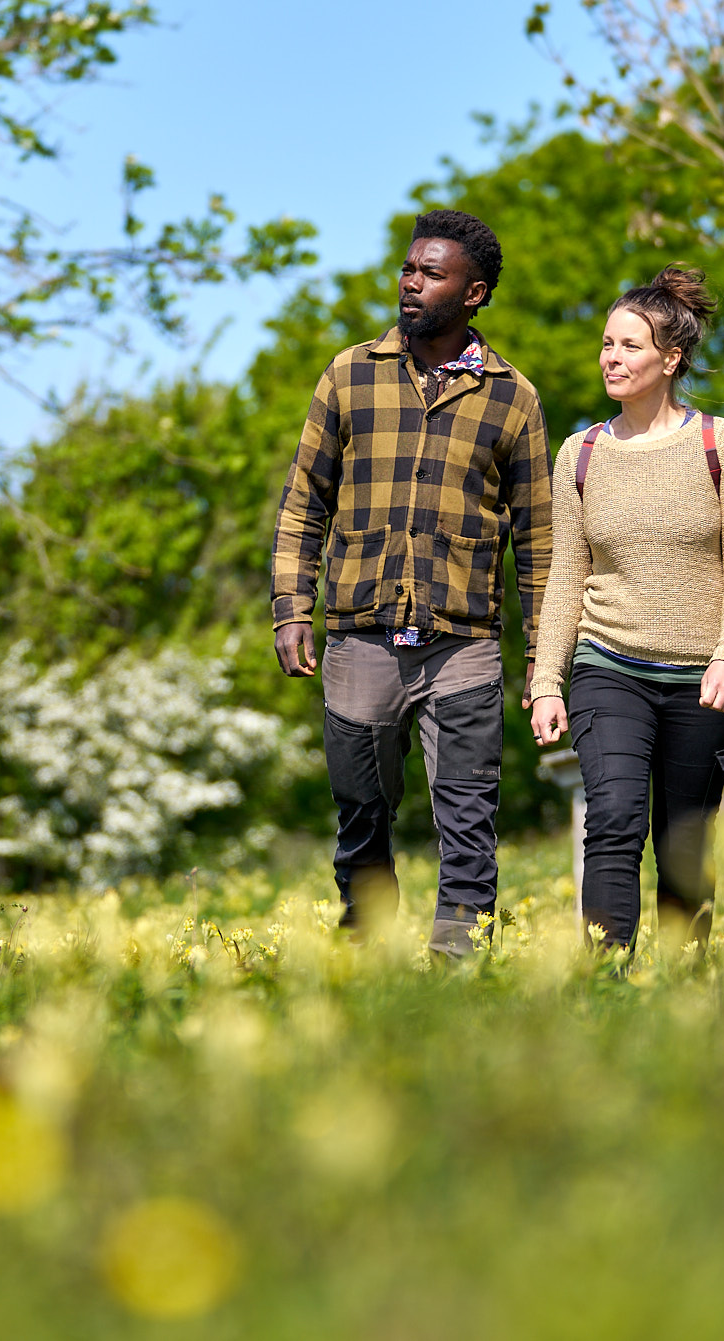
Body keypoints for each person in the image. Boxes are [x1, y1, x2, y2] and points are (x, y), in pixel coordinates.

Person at [271, 210, 553, 956]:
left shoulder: (512, 397)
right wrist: (290, 607)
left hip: (463, 644)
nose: (410, 282)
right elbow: (305, 501)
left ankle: (458, 970)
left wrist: (545, 661)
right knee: (361, 812)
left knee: (468, 817)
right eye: (408, 268)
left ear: (475, 293)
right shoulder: (349, 372)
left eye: (431, 273)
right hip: (360, 635)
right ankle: (366, 954)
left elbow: (540, 539)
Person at [527, 266, 724, 952]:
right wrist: (547, 680)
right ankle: (606, 988)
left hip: (702, 678)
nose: (611, 357)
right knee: (614, 818)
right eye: (607, 343)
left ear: (672, 358)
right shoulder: (582, 454)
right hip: (610, 666)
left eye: (629, 346)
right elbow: (566, 576)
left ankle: (683, 996)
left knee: (685, 844)